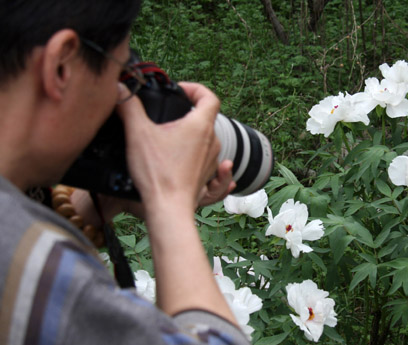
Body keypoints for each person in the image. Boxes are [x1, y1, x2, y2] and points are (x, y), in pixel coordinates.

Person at [0, 1, 249, 344]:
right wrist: (169, 200)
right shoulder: (33, 267)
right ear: (61, 66)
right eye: (122, 68)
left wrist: (92, 203)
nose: (124, 89)